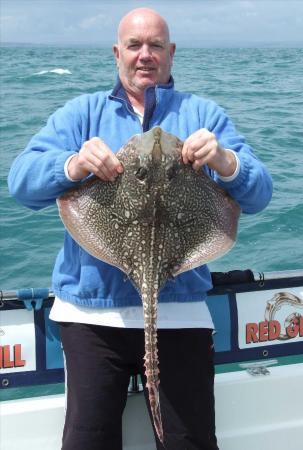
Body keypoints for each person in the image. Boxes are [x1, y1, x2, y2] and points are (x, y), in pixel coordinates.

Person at [8, 7, 273, 450]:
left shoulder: (203, 114)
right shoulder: (82, 113)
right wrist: (72, 164)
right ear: (117, 53)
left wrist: (227, 163)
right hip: (92, 313)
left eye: (155, 46)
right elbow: (22, 183)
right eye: (134, 45)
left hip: (180, 311)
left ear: (171, 53)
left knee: (188, 442)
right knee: (87, 441)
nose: (144, 55)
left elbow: (260, 194)